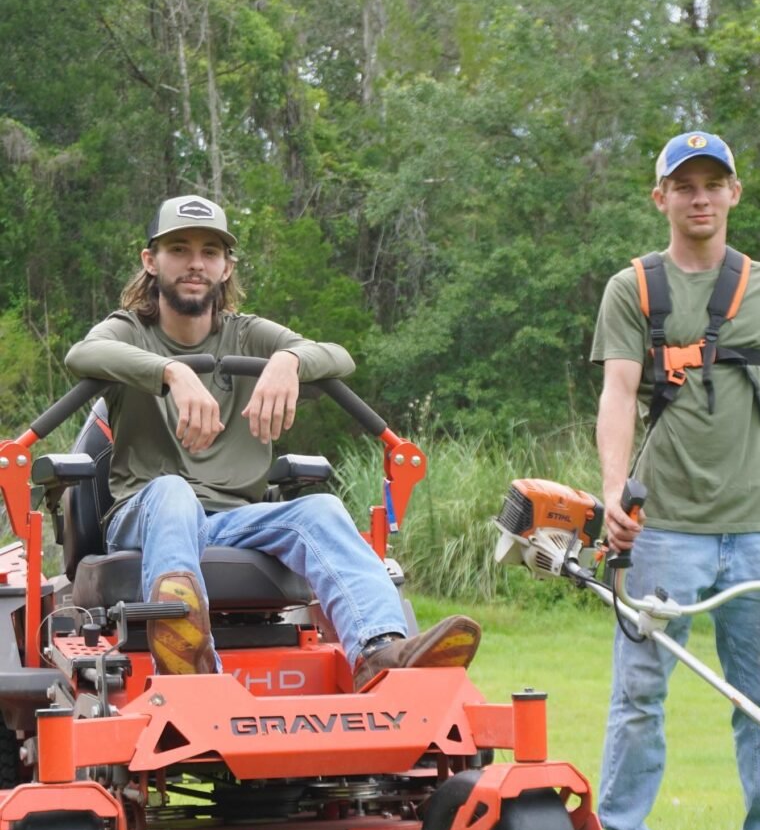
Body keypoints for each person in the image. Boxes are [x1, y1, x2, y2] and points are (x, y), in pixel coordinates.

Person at [65, 194, 480, 691]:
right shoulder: (129, 330)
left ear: (225, 268)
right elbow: (83, 353)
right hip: (147, 516)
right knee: (172, 490)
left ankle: (380, 653)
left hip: (233, 521)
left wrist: (289, 362)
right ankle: (190, 663)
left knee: (321, 508)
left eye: (210, 252)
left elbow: (337, 356)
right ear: (151, 262)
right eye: (179, 249)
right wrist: (171, 372)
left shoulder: (249, 335)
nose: (195, 263)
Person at [591, 132, 760, 830]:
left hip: (753, 528)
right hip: (665, 529)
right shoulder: (634, 288)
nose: (698, 197)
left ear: (732, 193)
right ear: (659, 196)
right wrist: (611, 494)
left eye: (711, 183)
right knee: (640, 694)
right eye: (682, 184)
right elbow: (618, 392)